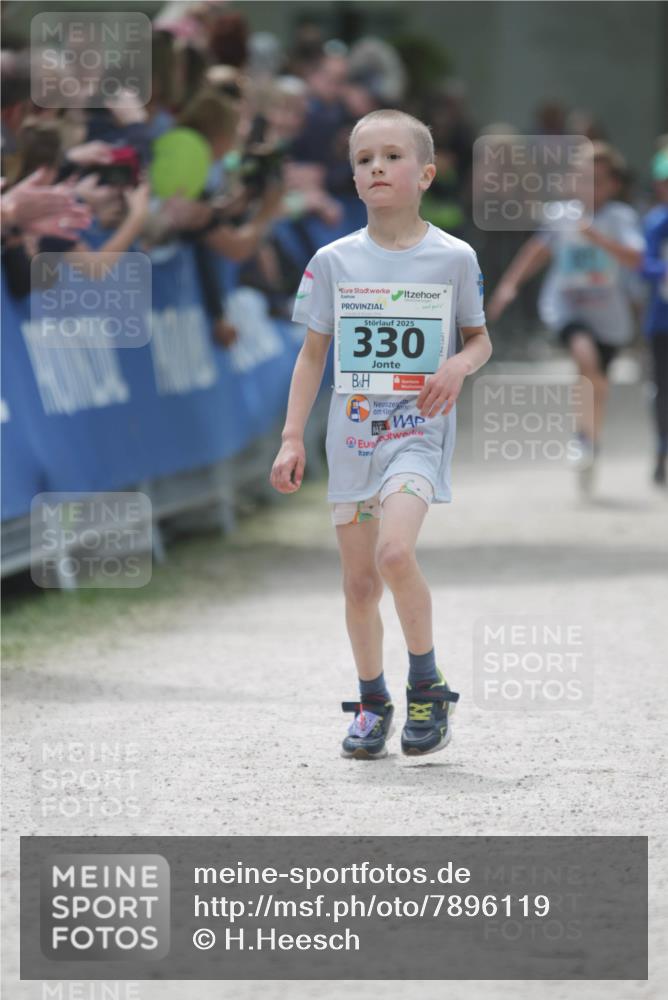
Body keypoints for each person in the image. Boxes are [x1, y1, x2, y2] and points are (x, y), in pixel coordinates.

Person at [270, 108, 492, 759]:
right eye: (364, 159)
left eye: (391, 156)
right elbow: (313, 356)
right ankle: (373, 700)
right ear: (353, 177)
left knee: (395, 554)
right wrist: (290, 438)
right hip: (353, 438)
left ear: (424, 173)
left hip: (417, 432)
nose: (376, 168)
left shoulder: (454, 257)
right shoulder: (333, 261)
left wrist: (455, 363)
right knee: (360, 583)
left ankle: (427, 683)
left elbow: (480, 341)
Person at [487, 142, 644, 494]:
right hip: (567, 308)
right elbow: (536, 252)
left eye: (599, 180)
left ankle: (588, 439)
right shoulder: (560, 216)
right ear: (573, 181)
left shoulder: (621, 218)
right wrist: (508, 286)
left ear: (613, 184)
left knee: (596, 384)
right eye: (584, 178)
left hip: (609, 315)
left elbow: (636, 259)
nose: (591, 187)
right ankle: (584, 439)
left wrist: (598, 238)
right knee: (584, 359)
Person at [639, 146, 668, 485]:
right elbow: (642, 265)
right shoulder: (656, 222)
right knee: (662, 389)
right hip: (662, 322)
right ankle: (661, 450)